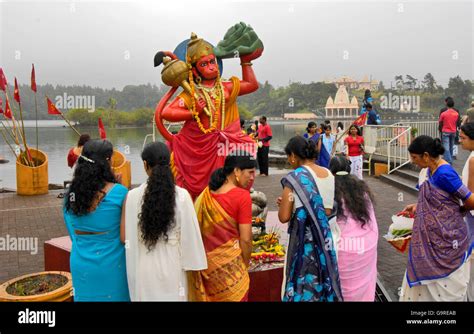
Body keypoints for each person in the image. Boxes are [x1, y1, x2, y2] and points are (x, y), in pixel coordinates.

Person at [158, 32, 262, 199]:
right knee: (198, 190)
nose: (211, 66)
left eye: (212, 61)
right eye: (204, 64)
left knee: (246, 153)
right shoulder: (192, 93)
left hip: (226, 141)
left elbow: (251, 85)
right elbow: (167, 112)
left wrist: (245, 60)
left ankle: (231, 205)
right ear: (195, 69)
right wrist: (194, 112)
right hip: (198, 147)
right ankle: (200, 212)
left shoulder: (225, 86)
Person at [121, 142, 207, 301]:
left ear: (145, 165)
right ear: (170, 163)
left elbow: (127, 239)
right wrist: (192, 265)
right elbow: (190, 238)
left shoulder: (132, 196)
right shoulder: (182, 196)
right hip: (173, 265)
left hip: (144, 266)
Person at [399, 135, 474, 301]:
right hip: (431, 240)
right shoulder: (430, 171)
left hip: (447, 240)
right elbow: (438, 199)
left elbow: (471, 201)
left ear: (426, 156)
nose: (412, 161)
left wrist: (455, 211)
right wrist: (418, 206)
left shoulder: (445, 174)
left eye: (414, 157)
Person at [63, 139, 129, 301]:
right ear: (107, 161)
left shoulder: (70, 195)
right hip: (112, 264)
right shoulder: (120, 193)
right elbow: (125, 235)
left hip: (81, 263)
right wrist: (118, 186)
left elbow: (73, 233)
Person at [277, 136, 342, 302]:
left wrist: (285, 205)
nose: (289, 161)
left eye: (288, 157)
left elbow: (284, 217)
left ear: (293, 155)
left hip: (303, 244)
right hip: (326, 238)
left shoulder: (294, 178)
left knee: (302, 283)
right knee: (322, 278)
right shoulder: (328, 173)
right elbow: (326, 210)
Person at [189, 153, 256, 301]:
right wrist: (244, 264)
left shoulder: (206, 194)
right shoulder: (242, 196)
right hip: (232, 271)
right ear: (236, 171)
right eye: (250, 172)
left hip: (207, 269)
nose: (253, 177)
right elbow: (246, 239)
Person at [329, 156, 378, 301]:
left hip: (341, 248)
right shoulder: (361, 189)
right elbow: (371, 221)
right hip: (364, 245)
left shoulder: (327, 189)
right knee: (361, 283)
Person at [458, 123, 474, 301]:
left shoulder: (472, 159)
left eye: (463, 138)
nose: (460, 141)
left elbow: (471, 198)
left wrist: (459, 209)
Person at [439, 98, 460, 164]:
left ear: (446, 104)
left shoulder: (443, 113)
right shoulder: (456, 113)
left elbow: (440, 122)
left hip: (445, 131)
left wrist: (440, 130)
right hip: (453, 131)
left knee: (446, 146)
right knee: (451, 146)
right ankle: (450, 159)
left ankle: (448, 160)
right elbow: (457, 122)